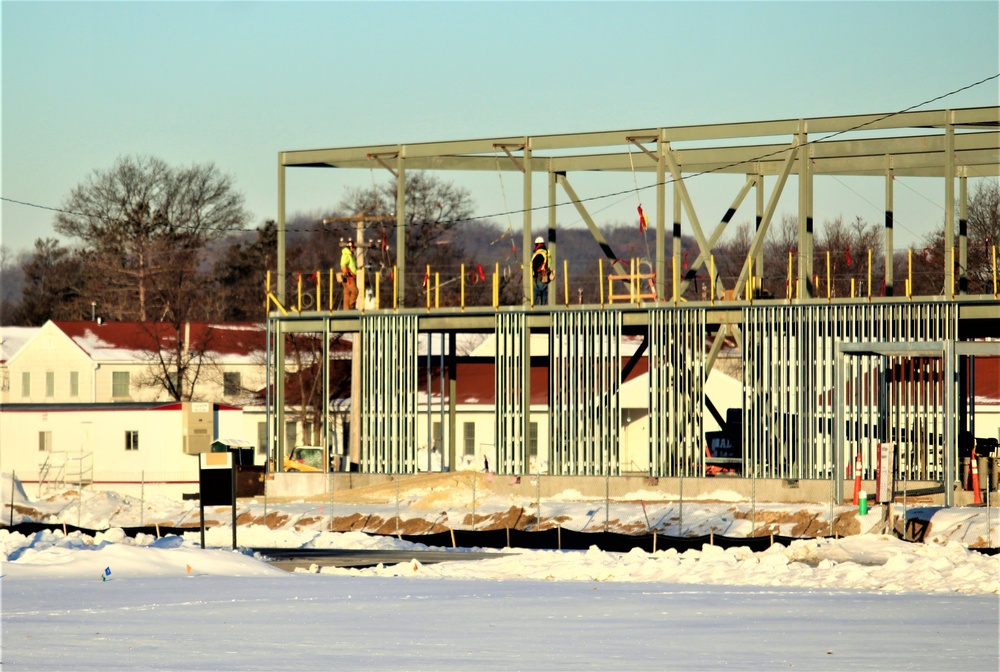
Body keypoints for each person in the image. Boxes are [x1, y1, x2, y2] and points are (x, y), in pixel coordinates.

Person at [531, 236, 550, 305]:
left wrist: (534, 273)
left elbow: (535, 265)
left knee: (537, 290)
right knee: (543, 290)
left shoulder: (540, 254)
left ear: (538, 244)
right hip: (544, 275)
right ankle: (543, 306)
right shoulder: (545, 252)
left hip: (540, 275)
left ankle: (533, 306)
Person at [341, 240, 358, 309]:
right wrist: (347, 274)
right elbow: (343, 265)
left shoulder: (349, 255)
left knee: (347, 293)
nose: (354, 249)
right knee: (355, 291)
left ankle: (346, 309)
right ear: (350, 247)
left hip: (348, 277)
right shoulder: (347, 255)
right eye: (353, 247)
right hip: (349, 277)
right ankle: (351, 306)